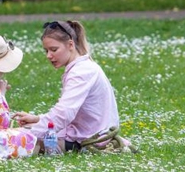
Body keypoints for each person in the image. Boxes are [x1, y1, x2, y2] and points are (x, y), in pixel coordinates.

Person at [13, 20, 133, 153]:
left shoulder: (81, 72)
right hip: (86, 134)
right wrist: (37, 119)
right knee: (25, 131)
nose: (48, 56)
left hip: (88, 141)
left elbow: (63, 114)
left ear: (70, 44)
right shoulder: (82, 67)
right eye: (46, 51)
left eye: (54, 49)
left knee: (14, 143)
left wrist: (25, 136)